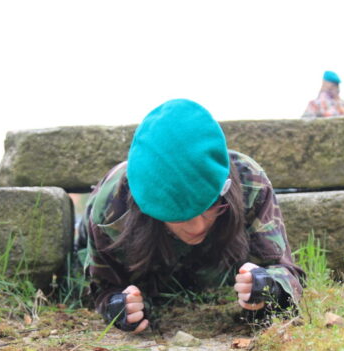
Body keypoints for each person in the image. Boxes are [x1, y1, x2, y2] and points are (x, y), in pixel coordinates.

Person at [76, 99, 305, 333]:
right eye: (179, 217)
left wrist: (267, 286)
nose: (197, 227)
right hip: (145, 257)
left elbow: (285, 270)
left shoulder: (250, 184)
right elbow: (101, 287)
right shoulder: (112, 207)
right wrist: (119, 307)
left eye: (209, 206)